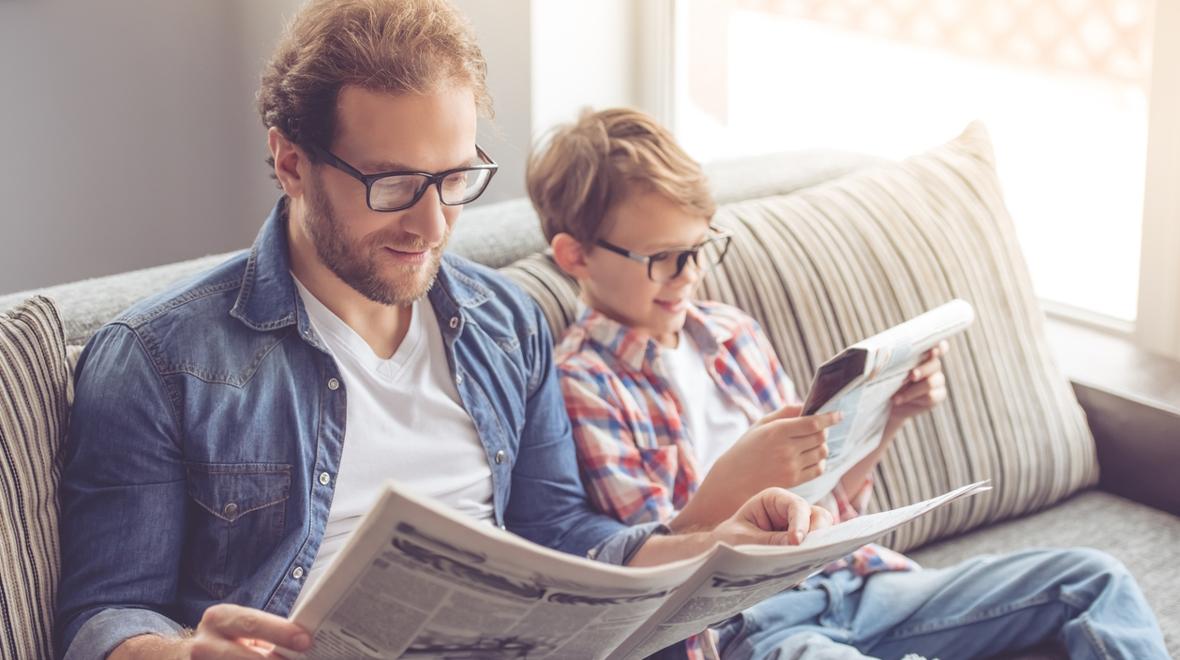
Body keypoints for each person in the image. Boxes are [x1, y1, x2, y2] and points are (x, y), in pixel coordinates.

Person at [53, 3, 832, 659]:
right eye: (392, 184)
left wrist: (717, 544)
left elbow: (560, 535)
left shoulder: (507, 323)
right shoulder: (161, 359)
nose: (432, 225)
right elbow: (106, 614)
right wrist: (180, 654)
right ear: (291, 161)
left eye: (455, 179)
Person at [529, 106, 1170, 660]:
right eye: (662, 258)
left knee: (1094, 577)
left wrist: (886, 420)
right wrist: (738, 481)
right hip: (754, 626)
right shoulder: (582, 385)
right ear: (575, 256)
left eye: (700, 248)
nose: (689, 273)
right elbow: (653, 571)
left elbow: (826, 496)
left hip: (857, 581)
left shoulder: (732, 334)